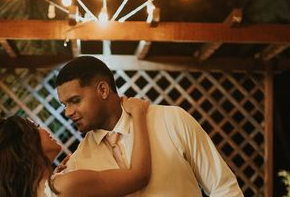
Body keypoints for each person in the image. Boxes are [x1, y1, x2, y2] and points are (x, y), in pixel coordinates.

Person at [56, 56, 244, 197]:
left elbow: (224, 187)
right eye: (65, 105)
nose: (68, 112)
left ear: (103, 90)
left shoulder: (171, 119)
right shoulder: (78, 162)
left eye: (75, 100)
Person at [0, 96, 151, 197]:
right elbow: (139, 176)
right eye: (36, 128)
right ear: (28, 145)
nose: (44, 129)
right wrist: (138, 113)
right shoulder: (65, 185)